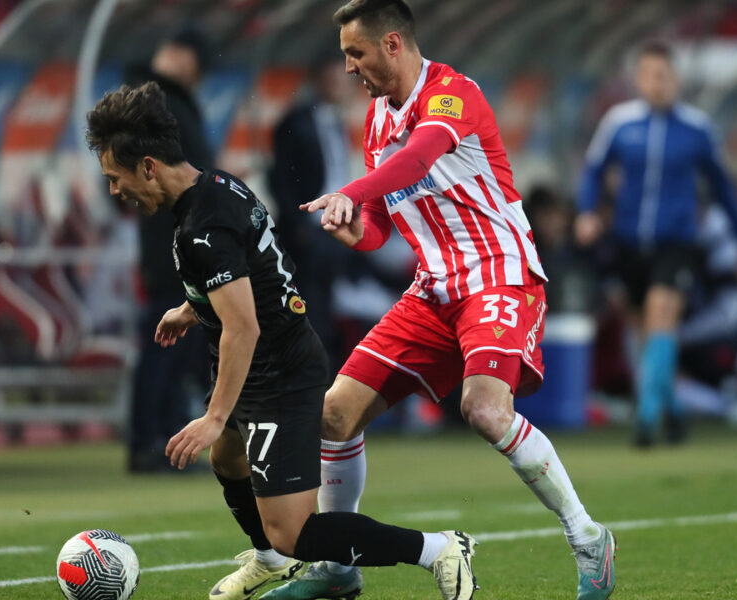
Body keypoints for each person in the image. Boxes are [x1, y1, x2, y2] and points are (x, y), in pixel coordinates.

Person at [264, 2, 616, 600]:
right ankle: (338, 567)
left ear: (393, 44)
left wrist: (351, 189)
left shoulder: (452, 93)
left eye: (357, 53)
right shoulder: (376, 121)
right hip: (433, 290)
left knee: (483, 410)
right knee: (333, 413)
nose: (349, 67)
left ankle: (587, 538)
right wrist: (357, 229)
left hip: (498, 275)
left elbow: (420, 157)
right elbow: (378, 221)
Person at [86, 82, 478, 600]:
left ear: (150, 166)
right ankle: (268, 563)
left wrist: (215, 415)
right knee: (227, 459)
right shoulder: (219, 187)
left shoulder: (202, 228)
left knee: (294, 532)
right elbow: (258, 271)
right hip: (264, 363)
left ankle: (439, 549)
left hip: (279, 375)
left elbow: (243, 326)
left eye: (116, 178)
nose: (116, 191)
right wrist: (192, 308)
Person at [574, 40, 737, 447]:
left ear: (675, 78)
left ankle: (646, 420)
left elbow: (722, 187)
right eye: (648, 75)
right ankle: (675, 411)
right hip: (630, 244)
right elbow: (594, 171)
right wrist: (587, 212)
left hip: (678, 244)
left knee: (661, 315)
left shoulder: (697, 129)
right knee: (643, 332)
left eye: (663, 75)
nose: (656, 83)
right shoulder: (619, 123)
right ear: (638, 79)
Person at [124, 28, 215, 472]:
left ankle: (161, 437)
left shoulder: (160, 100)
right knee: (163, 345)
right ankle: (149, 440)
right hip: (170, 244)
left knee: (173, 348)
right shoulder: (156, 103)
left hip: (176, 240)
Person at [269, 55, 355, 373]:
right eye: (332, 80)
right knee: (307, 310)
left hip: (334, 230)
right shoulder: (296, 122)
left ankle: (323, 382)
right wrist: (298, 226)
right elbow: (280, 178)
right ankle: (305, 381)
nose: (339, 87)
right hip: (308, 232)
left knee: (327, 310)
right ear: (317, 82)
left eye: (342, 80)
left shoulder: (335, 123)